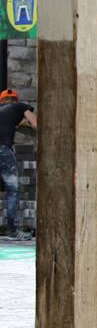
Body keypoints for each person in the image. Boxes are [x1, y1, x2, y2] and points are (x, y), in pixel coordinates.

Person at [0, 89, 37, 241]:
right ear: (16, 99)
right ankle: (12, 230)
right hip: (3, 150)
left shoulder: (3, 112)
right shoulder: (21, 106)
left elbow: (17, 122)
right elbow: (35, 124)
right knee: (13, 190)